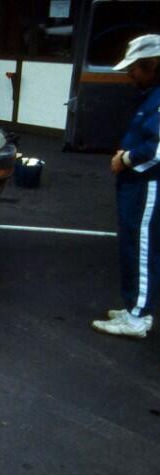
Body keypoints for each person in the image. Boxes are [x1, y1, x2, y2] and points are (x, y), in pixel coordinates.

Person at [91, 34, 160, 338]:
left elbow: (157, 150)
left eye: (135, 67)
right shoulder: (151, 95)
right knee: (133, 245)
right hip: (136, 185)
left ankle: (137, 317)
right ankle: (136, 307)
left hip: (147, 185)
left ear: (153, 65)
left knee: (142, 248)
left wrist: (125, 159)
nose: (130, 74)